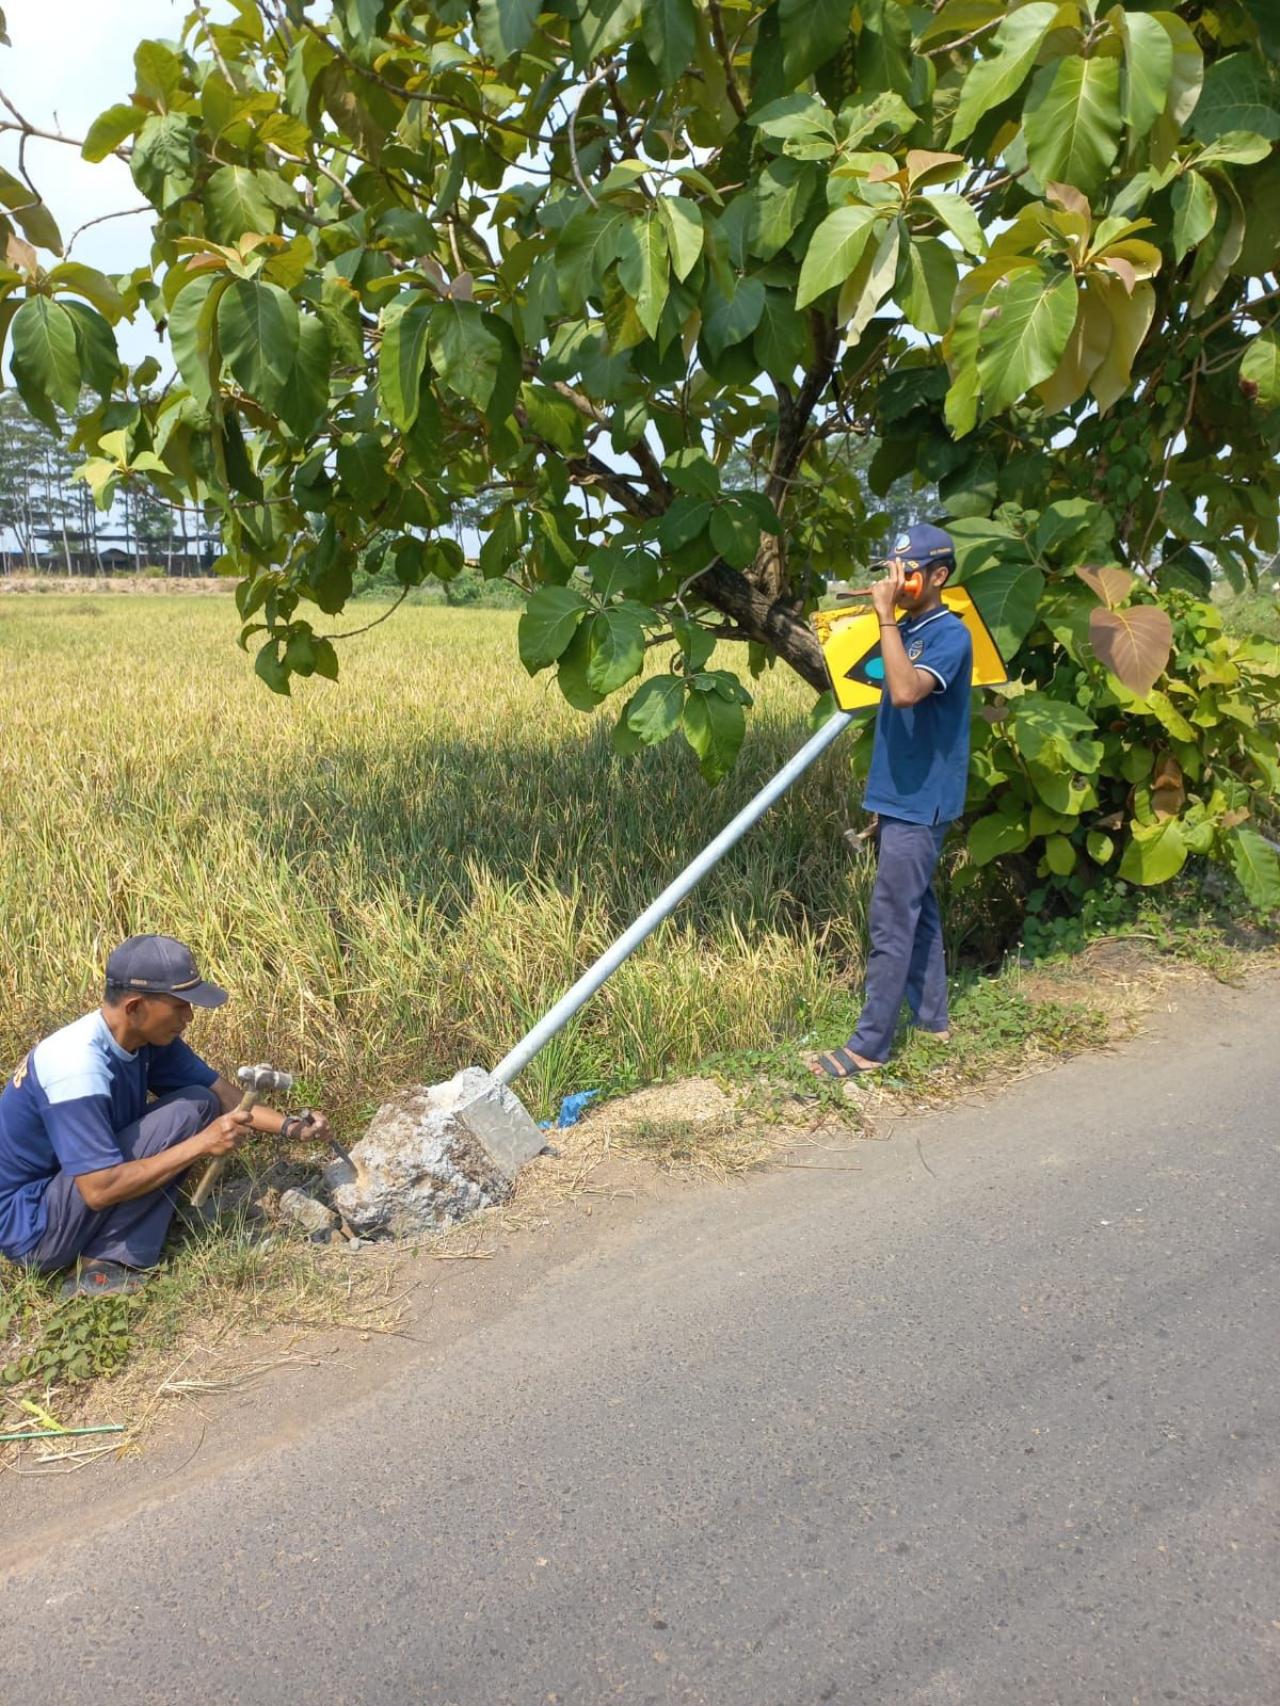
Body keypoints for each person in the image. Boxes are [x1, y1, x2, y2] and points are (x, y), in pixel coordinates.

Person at [0, 935, 331, 1296]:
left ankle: (110, 1252)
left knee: (198, 1102)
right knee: (190, 1116)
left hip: (66, 1193)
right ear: (135, 1007)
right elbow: (97, 1189)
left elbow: (225, 1098)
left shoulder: (143, 1039)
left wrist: (292, 1127)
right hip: (34, 1229)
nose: (189, 1017)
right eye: (179, 1006)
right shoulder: (76, 1066)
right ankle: (100, 1267)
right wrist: (202, 1145)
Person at [812, 523, 973, 1079]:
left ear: (938, 576)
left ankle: (869, 1047)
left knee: (890, 920)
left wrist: (884, 617)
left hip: (921, 799)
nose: (895, 580)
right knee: (918, 908)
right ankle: (933, 1020)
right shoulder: (911, 628)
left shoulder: (948, 634)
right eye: (892, 570)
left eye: (907, 572)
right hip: (899, 793)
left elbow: (905, 693)